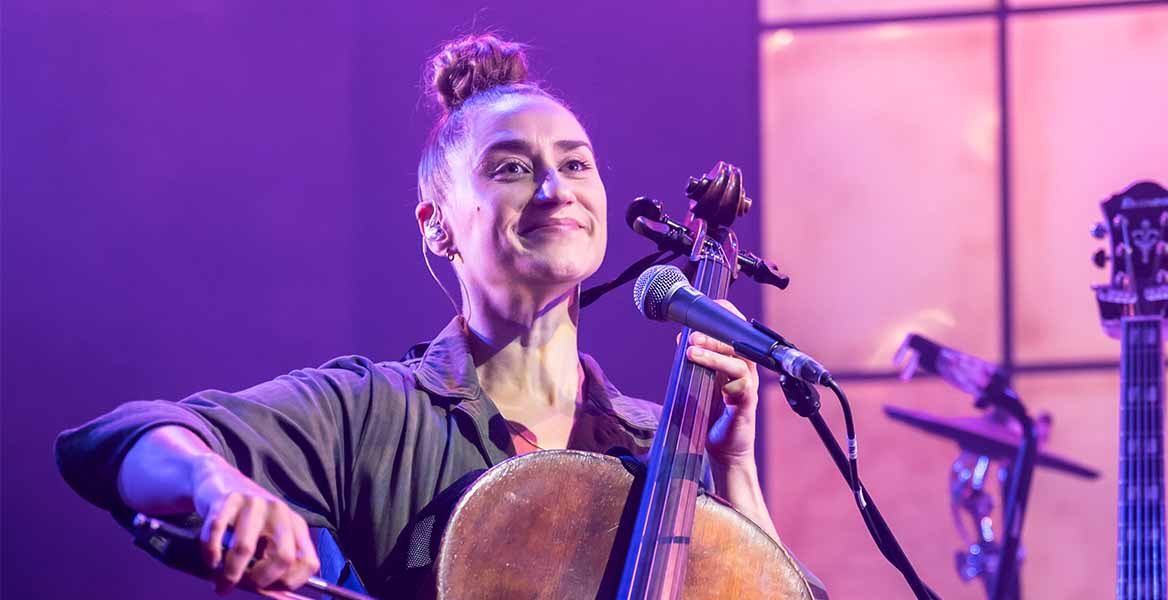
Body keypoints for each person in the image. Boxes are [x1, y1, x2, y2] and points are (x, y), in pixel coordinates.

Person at [55, 33, 781, 598]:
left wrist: (732, 464)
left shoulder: (661, 443)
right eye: (511, 168)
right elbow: (121, 441)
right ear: (436, 225)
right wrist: (220, 484)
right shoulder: (375, 412)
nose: (557, 189)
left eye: (577, 163)